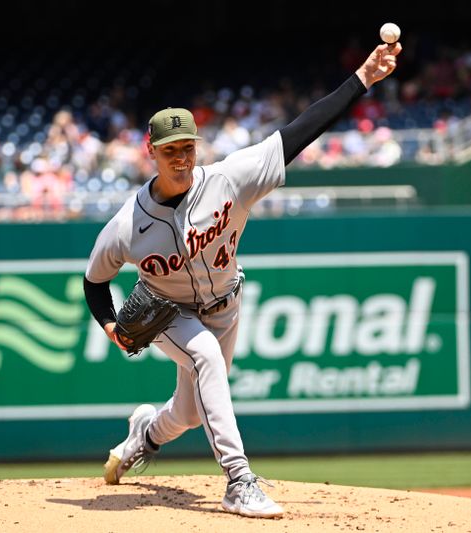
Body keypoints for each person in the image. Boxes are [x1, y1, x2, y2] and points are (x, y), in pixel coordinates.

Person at [83, 41, 401, 518]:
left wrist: (363, 78)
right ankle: (238, 480)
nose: (181, 158)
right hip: (169, 313)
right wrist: (111, 326)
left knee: (189, 414)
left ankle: (143, 434)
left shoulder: (231, 178)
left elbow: (300, 132)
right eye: (170, 149)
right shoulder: (127, 226)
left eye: (188, 147)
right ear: (150, 150)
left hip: (227, 305)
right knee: (204, 355)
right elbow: (94, 282)